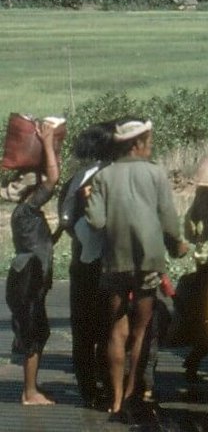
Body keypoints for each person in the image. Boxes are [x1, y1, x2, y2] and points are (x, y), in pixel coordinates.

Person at [85, 118, 188, 420]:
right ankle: (132, 397)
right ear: (138, 143)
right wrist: (178, 245)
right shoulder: (155, 173)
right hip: (147, 263)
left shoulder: (104, 177)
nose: (151, 146)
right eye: (149, 141)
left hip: (114, 263)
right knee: (141, 331)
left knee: (116, 330)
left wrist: (89, 201)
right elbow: (169, 218)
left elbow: (97, 222)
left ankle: (115, 399)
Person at [57, 120, 118, 409]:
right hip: (114, 263)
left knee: (83, 330)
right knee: (112, 328)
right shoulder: (116, 175)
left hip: (82, 262)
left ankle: (87, 389)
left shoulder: (78, 178)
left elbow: (65, 218)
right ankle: (111, 387)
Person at [5, 119, 61, 406]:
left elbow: (41, 242)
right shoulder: (27, 209)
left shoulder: (25, 214)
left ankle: (31, 389)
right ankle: (29, 393)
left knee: (36, 331)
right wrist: (49, 144)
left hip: (27, 277)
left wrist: (62, 228)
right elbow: (52, 180)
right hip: (28, 279)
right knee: (33, 334)